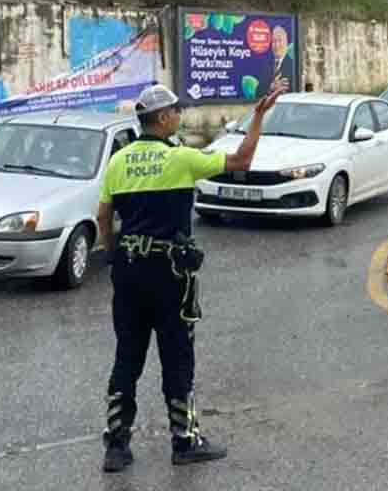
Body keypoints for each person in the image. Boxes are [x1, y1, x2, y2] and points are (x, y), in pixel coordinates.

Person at [96, 79, 288, 472]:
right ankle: (184, 440)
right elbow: (241, 160)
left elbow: (103, 219)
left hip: (129, 273)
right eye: (176, 111)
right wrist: (258, 115)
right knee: (177, 356)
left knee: (127, 357)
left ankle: (117, 446)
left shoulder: (118, 161)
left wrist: (116, 260)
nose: (180, 116)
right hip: (169, 274)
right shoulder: (181, 158)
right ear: (163, 118)